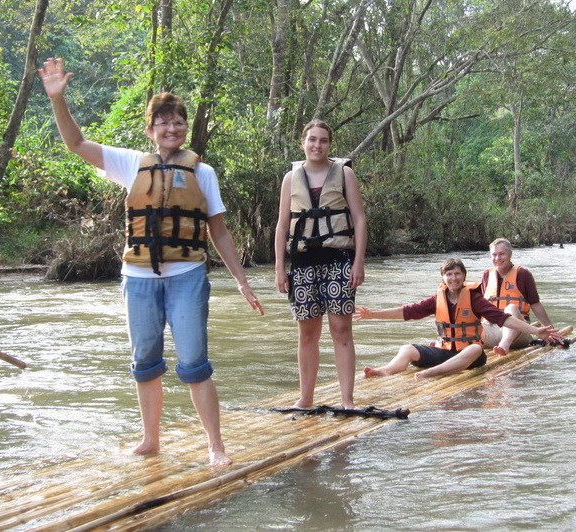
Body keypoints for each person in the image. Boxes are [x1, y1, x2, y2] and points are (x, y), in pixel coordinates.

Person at [39, 58, 264, 466]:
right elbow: (76, 144)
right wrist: (58, 100)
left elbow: (220, 232)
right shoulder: (130, 163)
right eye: (163, 122)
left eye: (177, 122)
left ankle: (216, 445)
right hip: (138, 277)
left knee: (195, 362)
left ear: (184, 128)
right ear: (150, 130)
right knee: (146, 362)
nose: (171, 129)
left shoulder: (204, 173)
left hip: (187, 276)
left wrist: (242, 282)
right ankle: (150, 439)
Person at [274, 119, 367, 409]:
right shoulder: (291, 179)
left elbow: (360, 219)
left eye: (323, 140)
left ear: (330, 144)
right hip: (302, 264)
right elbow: (281, 226)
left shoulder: (345, 174)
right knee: (307, 334)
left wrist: (359, 262)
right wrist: (279, 267)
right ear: (303, 142)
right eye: (312, 140)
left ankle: (347, 400)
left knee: (341, 331)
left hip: (339, 260)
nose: (317, 145)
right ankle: (306, 398)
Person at [355, 258, 559, 379]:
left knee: (476, 348)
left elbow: (503, 318)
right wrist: (373, 315)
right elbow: (407, 311)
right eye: (449, 274)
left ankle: (431, 372)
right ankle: (385, 371)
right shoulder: (438, 299)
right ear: (443, 278)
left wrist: (535, 330)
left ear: (464, 276)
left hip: (469, 357)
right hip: (445, 352)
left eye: (457, 274)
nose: (453, 278)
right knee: (407, 348)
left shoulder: (475, 299)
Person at [481, 238, 563, 356]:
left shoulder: (523, 274)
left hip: (518, 333)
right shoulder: (486, 275)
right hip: (492, 330)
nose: (497, 258)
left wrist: (551, 330)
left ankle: (504, 344)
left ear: (510, 253)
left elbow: (535, 305)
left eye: (501, 254)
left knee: (511, 308)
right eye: (494, 255)